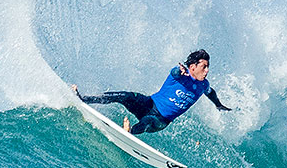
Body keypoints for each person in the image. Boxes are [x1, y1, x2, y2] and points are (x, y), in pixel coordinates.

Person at [72, 49, 232, 135]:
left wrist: (218, 104)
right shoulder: (179, 75)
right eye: (204, 66)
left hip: (161, 120)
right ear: (193, 67)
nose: (207, 70)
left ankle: (129, 132)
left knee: (148, 121)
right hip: (149, 103)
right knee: (123, 96)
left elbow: (210, 92)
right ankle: (85, 99)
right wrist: (179, 69)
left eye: (208, 66)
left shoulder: (203, 85)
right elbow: (175, 71)